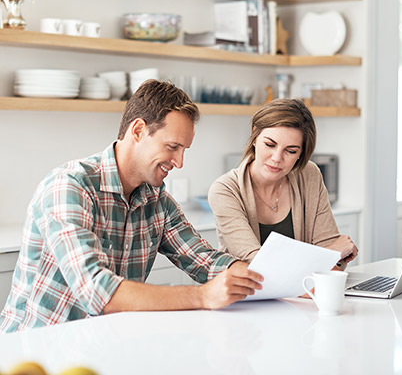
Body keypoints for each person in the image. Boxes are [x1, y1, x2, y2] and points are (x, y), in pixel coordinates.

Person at [0, 80, 262, 333]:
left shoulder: (157, 201)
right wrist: (203, 296)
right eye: (172, 147)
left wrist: (253, 277)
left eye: (184, 150)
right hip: (35, 349)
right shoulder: (70, 186)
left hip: (102, 346)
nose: (179, 162)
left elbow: (207, 261)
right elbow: (97, 291)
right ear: (138, 130)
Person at [208, 98, 358, 267]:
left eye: (291, 150)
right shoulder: (225, 190)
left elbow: (336, 262)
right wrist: (330, 254)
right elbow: (257, 264)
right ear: (254, 135)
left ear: (301, 153)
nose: (277, 158)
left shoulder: (309, 175)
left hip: (303, 292)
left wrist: (330, 255)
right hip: (249, 293)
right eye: (270, 144)